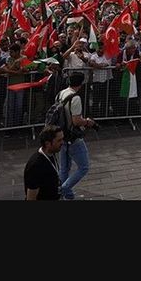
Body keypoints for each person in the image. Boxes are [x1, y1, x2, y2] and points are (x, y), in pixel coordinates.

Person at [57, 72, 96, 200]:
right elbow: (76, 121)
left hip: (61, 134)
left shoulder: (61, 93)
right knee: (83, 167)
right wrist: (87, 122)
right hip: (73, 136)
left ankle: (67, 195)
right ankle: (63, 189)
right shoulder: (75, 98)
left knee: (64, 168)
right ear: (81, 84)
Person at [24, 125, 64, 200]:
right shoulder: (36, 166)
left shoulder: (51, 154)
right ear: (47, 144)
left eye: (62, 139)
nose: (62, 142)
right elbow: (31, 198)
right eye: (59, 140)